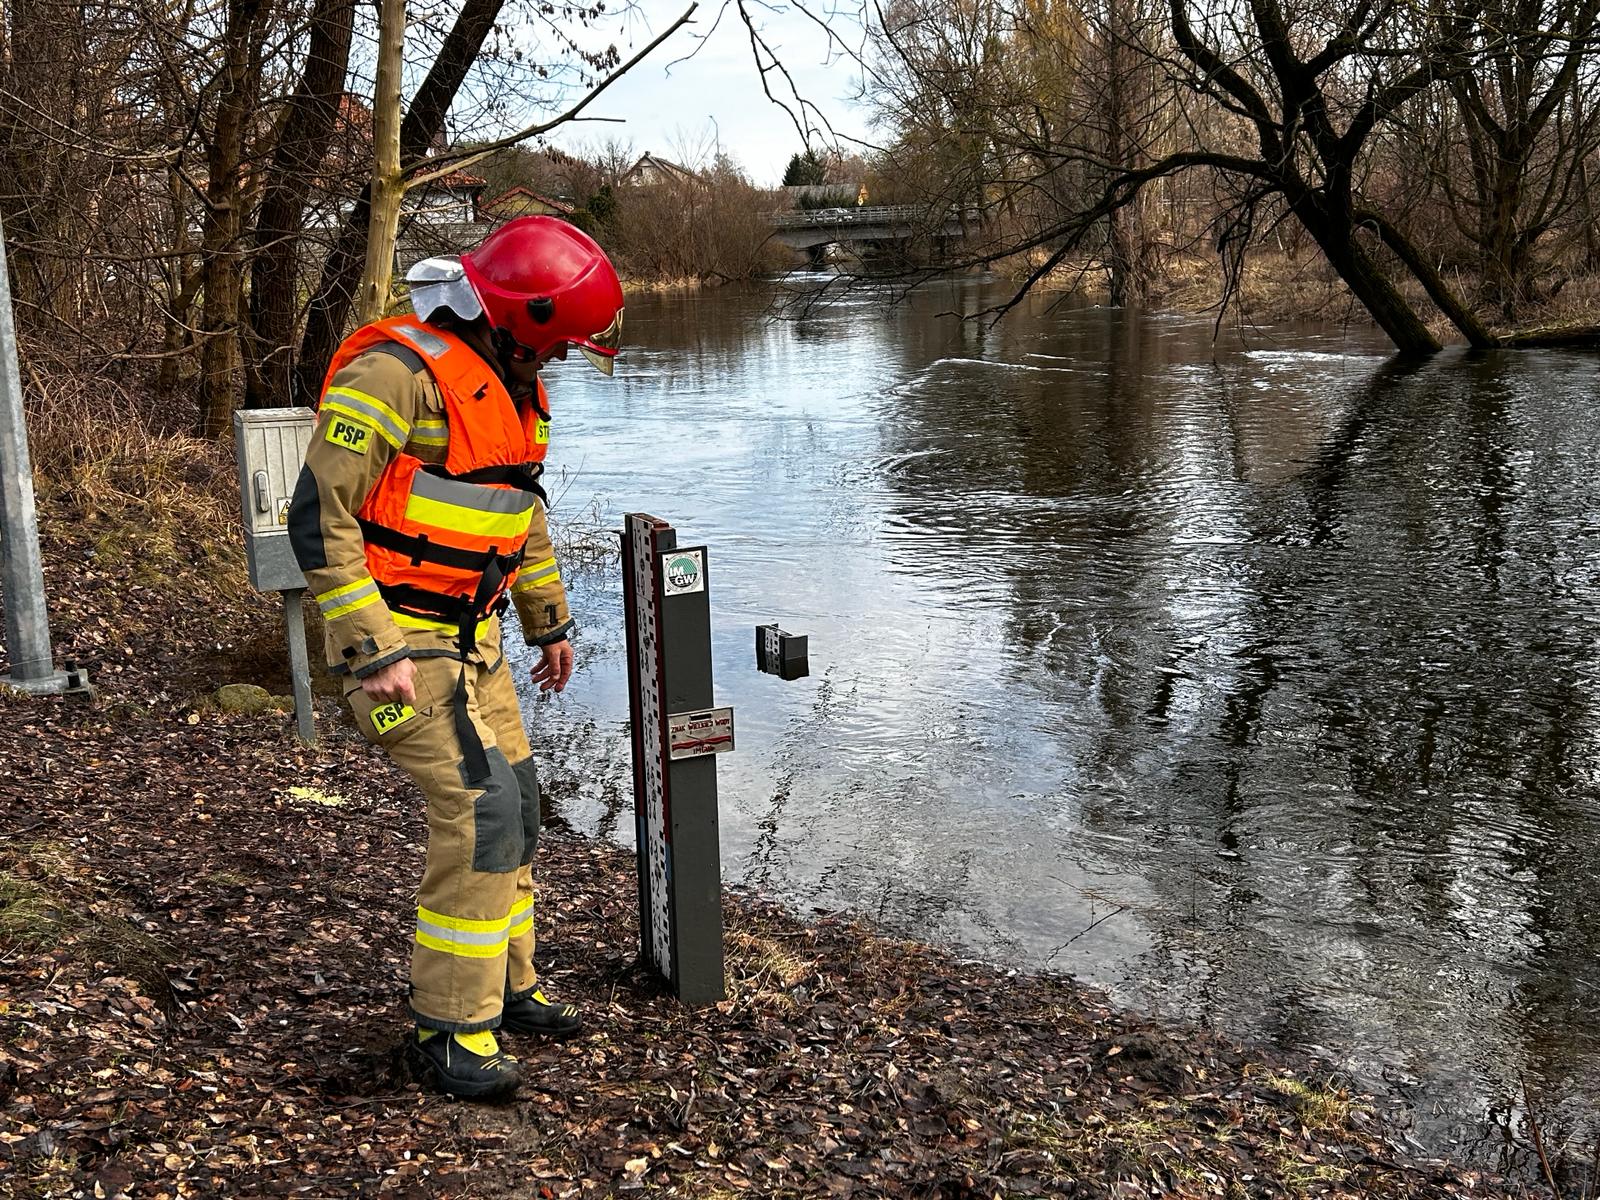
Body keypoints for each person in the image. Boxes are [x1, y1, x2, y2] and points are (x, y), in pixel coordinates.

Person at [286, 216, 624, 1100]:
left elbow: (519, 515)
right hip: (401, 642)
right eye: (555, 344)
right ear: (515, 320)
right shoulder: (393, 376)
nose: (558, 360)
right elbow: (318, 517)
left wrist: (549, 622)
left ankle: (507, 985)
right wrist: (371, 649)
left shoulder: (512, 389)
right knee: (483, 810)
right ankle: (448, 1026)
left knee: (523, 804)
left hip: (477, 640)